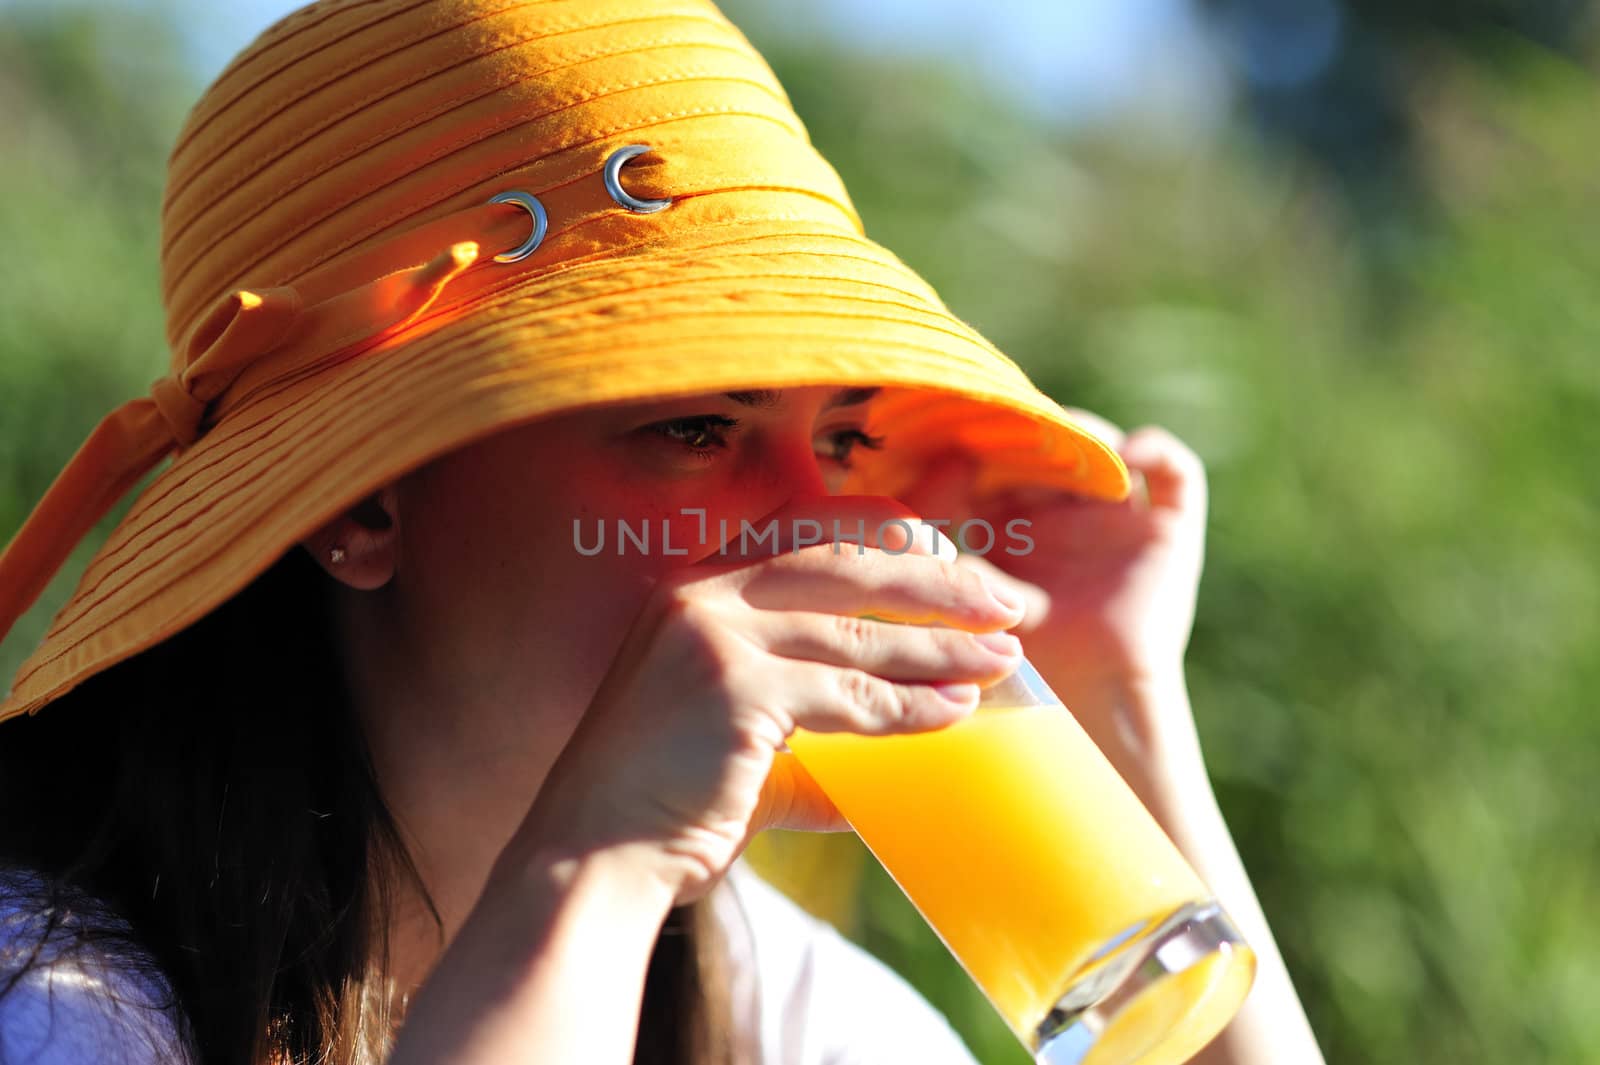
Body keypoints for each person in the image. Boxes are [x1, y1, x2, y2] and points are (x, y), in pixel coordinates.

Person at [0, 2, 1325, 1063]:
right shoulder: (53, 1004)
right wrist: (602, 855)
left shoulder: (780, 1006)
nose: (824, 520)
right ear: (362, 497)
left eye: (848, 438)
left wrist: (1115, 697)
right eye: (698, 428)